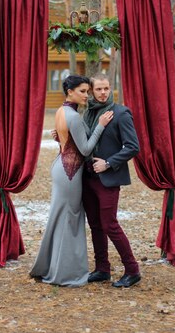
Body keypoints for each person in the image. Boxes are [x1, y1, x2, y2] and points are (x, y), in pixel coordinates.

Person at [30, 75, 113, 287]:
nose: (87, 95)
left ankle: (50, 266)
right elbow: (85, 149)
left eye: (87, 91)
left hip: (62, 167)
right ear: (70, 92)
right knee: (70, 219)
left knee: (60, 218)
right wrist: (100, 125)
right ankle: (64, 273)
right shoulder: (74, 116)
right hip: (70, 172)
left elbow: (64, 138)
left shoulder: (62, 111)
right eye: (83, 91)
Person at [82, 73, 141, 288]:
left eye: (106, 88)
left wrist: (108, 163)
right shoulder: (87, 113)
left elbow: (133, 147)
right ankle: (102, 268)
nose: (103, 92)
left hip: (108, 177)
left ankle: (132, 270)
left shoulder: (121, 113)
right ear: (91, 91)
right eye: (98, 89)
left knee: (110, 224)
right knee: (95, 224)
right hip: (87, 177)